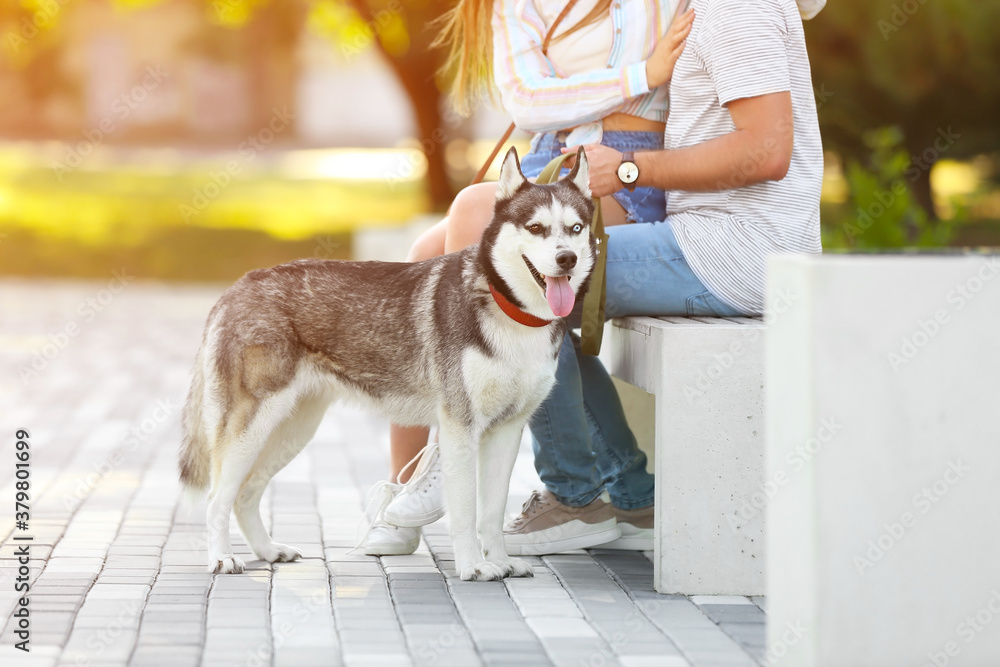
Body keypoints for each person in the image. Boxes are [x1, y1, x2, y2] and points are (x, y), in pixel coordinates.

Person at [360, 0, 694, 555]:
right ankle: (409, 494)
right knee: (420, 262)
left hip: (624, 166)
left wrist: (614, 88)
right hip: (549, 161)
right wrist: (643, 75)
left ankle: (452, 459)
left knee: (471, 218)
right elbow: (528, 99)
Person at [501, 0, 825, 555]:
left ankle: (574, 499)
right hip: (724, 244)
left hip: (732, 252)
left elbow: (768, 149)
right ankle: (627, 491)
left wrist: (630, 169)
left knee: (519, 289)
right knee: (541, 288)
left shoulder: (735, 8)